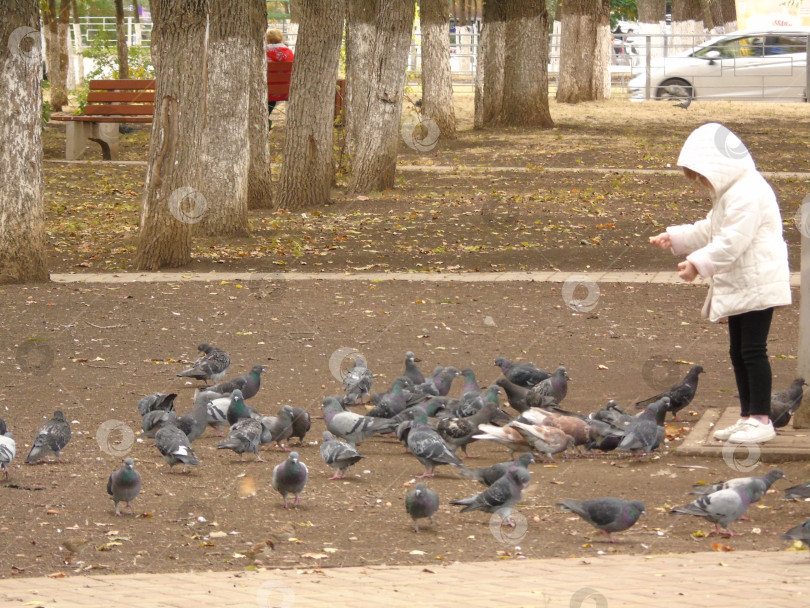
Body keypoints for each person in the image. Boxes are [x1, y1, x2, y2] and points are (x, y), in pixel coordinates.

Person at [649, 123, 791, 445]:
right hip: (742, 283)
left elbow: (731, 242)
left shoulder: (748, 192)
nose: (701, 184)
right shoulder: (732, 192)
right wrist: (677, 238)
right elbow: (711, 229)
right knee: (738, 352)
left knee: (754, 351)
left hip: (757, 283)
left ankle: (760, 419)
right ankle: (747, 417)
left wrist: (698, 264)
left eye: (701, 176)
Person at [266, 28, 294, 129]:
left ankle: (265, 119)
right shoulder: (289, 52)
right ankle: (266, 119)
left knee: (269, 91)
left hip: (267, 90)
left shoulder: (263, 52)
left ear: (268, 40)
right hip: (285, 90)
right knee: (274, 89)